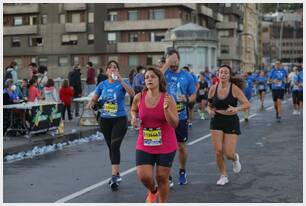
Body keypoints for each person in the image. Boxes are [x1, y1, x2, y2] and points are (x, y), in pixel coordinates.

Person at [131, 67, 179, 203]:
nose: (149, 79)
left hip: (166, 143)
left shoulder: (168, 99)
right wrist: (134, 117)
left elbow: (175, 123)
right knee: (144, 176)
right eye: (146, 77)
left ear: (159, 80)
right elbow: (134, 109)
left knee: (162, 176)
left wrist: (166, 110)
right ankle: (153, 190)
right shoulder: (139, 97)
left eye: (152, 77)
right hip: (145, 142)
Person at [86, 60, 134, 191]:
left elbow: (132, 94)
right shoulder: (102, 84)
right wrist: (91, 102)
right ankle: (117, 174)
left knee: (114, 145)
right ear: (106, 71)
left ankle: (114, 176)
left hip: (120, 119)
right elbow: (95, 97)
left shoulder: (121, 82)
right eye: (110, 68)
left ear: (118, 70)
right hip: (105, 120)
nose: (112, 69)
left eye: (115, 68)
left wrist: (121, 80)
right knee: (111, 147)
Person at [207, 64, 250, 186]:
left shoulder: (235, 89)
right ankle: (223, 175)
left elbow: (247, 104)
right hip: (216, 120)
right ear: (218, 74)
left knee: (229, 153)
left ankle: (235, 159)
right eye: (221, 72)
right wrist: (209, 111)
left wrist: (237, 109)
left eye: (226, 72)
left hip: (231, 120)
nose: (223, 74)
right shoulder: (213, 89)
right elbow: (209, 105)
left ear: (229, 75)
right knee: (218, 151)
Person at [160, 49, 196, 186]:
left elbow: (193, 95)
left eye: (175, 61)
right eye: (170, 61)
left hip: (180, 116)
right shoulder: (164, 74)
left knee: (181, 146)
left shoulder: (187, 76)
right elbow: (154, 77)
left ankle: (182, 171)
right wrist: (166, 64)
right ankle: (168, 175)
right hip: (165, 116)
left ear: (179, 60)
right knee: (165, 147)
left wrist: (186, 98)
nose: (173, 64)